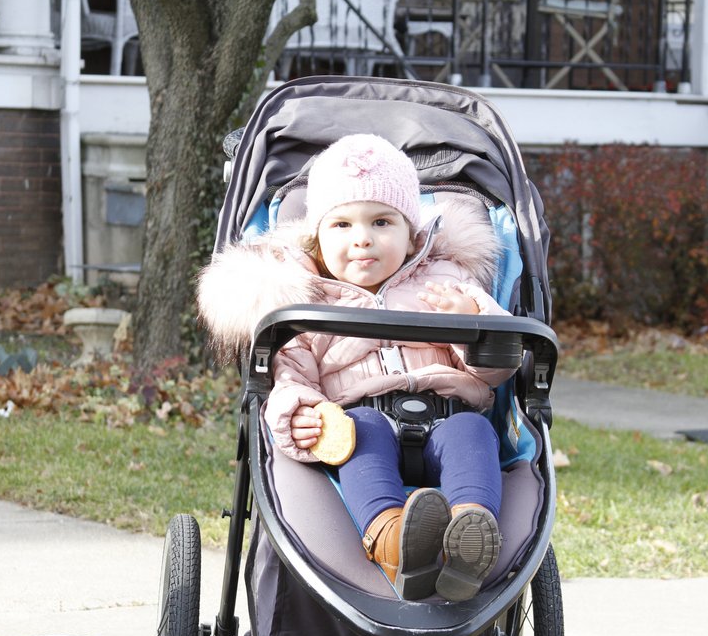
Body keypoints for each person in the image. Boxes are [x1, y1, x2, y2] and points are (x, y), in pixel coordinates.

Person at [196, 134, 516, 602]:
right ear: (318, 243)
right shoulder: (307, 302)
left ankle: (470, 535)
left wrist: (473, 322)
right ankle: (392, 540)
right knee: (363, 432)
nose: (362, 237)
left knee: (474, 433)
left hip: (449, 414)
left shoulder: (450, 279)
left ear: (412, 236)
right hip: (357, 421)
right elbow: (288, 378)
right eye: (342, 224)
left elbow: (497, 369)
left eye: (382, 222)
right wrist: (299, 414)